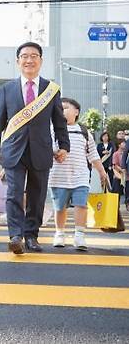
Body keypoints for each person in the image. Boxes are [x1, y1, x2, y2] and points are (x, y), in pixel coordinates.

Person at [0, 41, 69, 255]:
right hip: (13, 150)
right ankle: (16, 235)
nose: (29, 60)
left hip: (41, 150)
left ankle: (32, 236)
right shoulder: (6, 89)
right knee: (14, 194)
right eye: (25, 56)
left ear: (41, 61)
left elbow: (59, 121)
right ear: (18, 61)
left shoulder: (51, 89)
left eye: (34, 56)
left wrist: (64, 146)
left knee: (37, 195)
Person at [49, 98, 108, 251]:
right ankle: (59, 233)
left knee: (81, 205)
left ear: (76, 112)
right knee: (59, 207)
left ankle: (79, 235)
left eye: (65, 108)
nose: (61, 111)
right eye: (59, 108)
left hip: (81, 176)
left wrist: (102, 172)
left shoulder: (84, 131)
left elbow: (93, 155)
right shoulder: (52, 129)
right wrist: (54, 153)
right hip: (58, 176)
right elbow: (44, 148)